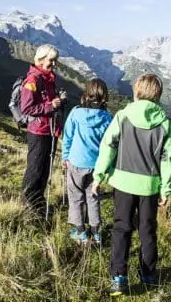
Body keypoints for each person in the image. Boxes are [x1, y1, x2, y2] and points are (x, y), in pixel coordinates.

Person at [92, 73, 171, 296]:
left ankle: (119, 277)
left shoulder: (123, 115)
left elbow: (108, 146)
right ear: (158, 95)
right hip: (150, 187)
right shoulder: (163, 123)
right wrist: (165, 188)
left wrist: (99, 176)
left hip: (123, 183)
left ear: (136, 91)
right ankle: (148, 274)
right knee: (147, 230)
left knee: (122, 228)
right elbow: (169, 159)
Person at [61, 78, 113, 245]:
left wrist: (65, 157)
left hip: (75, 163)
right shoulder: (107, 118)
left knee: (76, 198)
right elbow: (110, 144)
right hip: (96, 166)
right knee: (93, 198)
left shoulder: (76, 112)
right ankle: (96, 233)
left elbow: (67, 136)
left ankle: (80, 232)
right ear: (104, 95)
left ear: (87, 93)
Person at [20, 44, 65, 217]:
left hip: (49, 131)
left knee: (45, 170)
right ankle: (28, 205)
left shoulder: (48, 79)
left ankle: (37, 203)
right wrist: (49, 106)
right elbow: (26, 108)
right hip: (38, 132)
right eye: (51, 61)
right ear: (40, 60)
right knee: (35, 169)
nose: (54, 64)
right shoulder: (33, 80)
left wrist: (59, 101)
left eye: (55, 61)